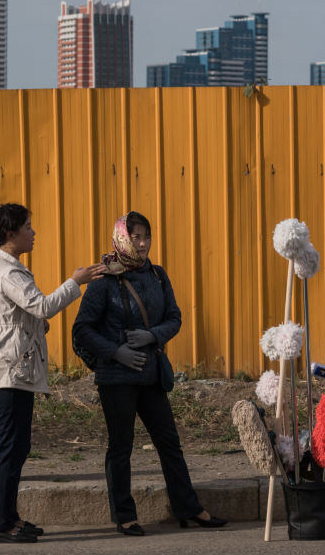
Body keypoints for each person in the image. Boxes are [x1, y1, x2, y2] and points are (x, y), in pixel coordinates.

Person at [72, 211, 227, 536]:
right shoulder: (103, 279)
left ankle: (189, 508)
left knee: (169, 442)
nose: (142, 243)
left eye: (147, 236)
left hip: (150, 374)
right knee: (121, 446)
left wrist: (153, 335)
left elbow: (175, 316)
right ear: (122, 238)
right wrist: (117, 351)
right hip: (116, 378)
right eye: (136, 236)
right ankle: (125, 515)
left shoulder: (156, 274)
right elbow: (82, 329)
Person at [0, 202, 105, 544]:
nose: (34, 233)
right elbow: (43, 305)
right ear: (9, 233)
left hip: (7, 370)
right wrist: (76, 282)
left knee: (16, 447)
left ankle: (9, 518)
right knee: (10, 448)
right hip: (6, 374)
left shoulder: (0, 269)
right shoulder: (8, 272)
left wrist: (34, 326)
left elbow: (15, 318)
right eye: (28, 227)